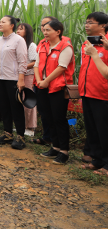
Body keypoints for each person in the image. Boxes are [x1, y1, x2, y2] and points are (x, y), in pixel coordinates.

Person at [33, 19, 75, 165]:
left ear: (58, 32)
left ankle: (64, 151)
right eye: (44, 30)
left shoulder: (65, 46)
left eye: (48, 30)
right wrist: (39, 81)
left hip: (58, 88)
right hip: (42, 86)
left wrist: (46, 81)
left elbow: (61, 67)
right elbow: (37, 65)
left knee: (59, 119)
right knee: (48, 117)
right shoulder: (43, 45)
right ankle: (55, 147)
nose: (45, 33)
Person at [0, 15, 28, 150]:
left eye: (3, 22)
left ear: (12, 25)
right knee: (4, 107)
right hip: (0, 78)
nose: (0, 24)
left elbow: (22, 60)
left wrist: (21, 79)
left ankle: (20, 137)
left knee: (15, 107)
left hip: (13, 79)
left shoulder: (18, 40)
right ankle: (7, 133)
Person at [79, 12, 108, 175]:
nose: (86, 25)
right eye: (86, 22)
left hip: (102, 94)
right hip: (86, 91)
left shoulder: (107, 44)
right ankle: (97, 159)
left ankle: (107, 163)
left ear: (103, 26)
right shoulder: (86, 44)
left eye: (91, 22)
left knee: (104, 129)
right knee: (93, 128)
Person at [16, 22, 38, 137]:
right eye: (17, 29)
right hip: (17, 75)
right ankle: (22, 125)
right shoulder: (17, 44)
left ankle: (30, 127)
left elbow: (35, 62)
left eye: (21, 29)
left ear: (27, 31)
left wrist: (22, 67)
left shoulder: (31, 45)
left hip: (28, 75)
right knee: (19, 100)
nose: (18, 31)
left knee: (28, 101)